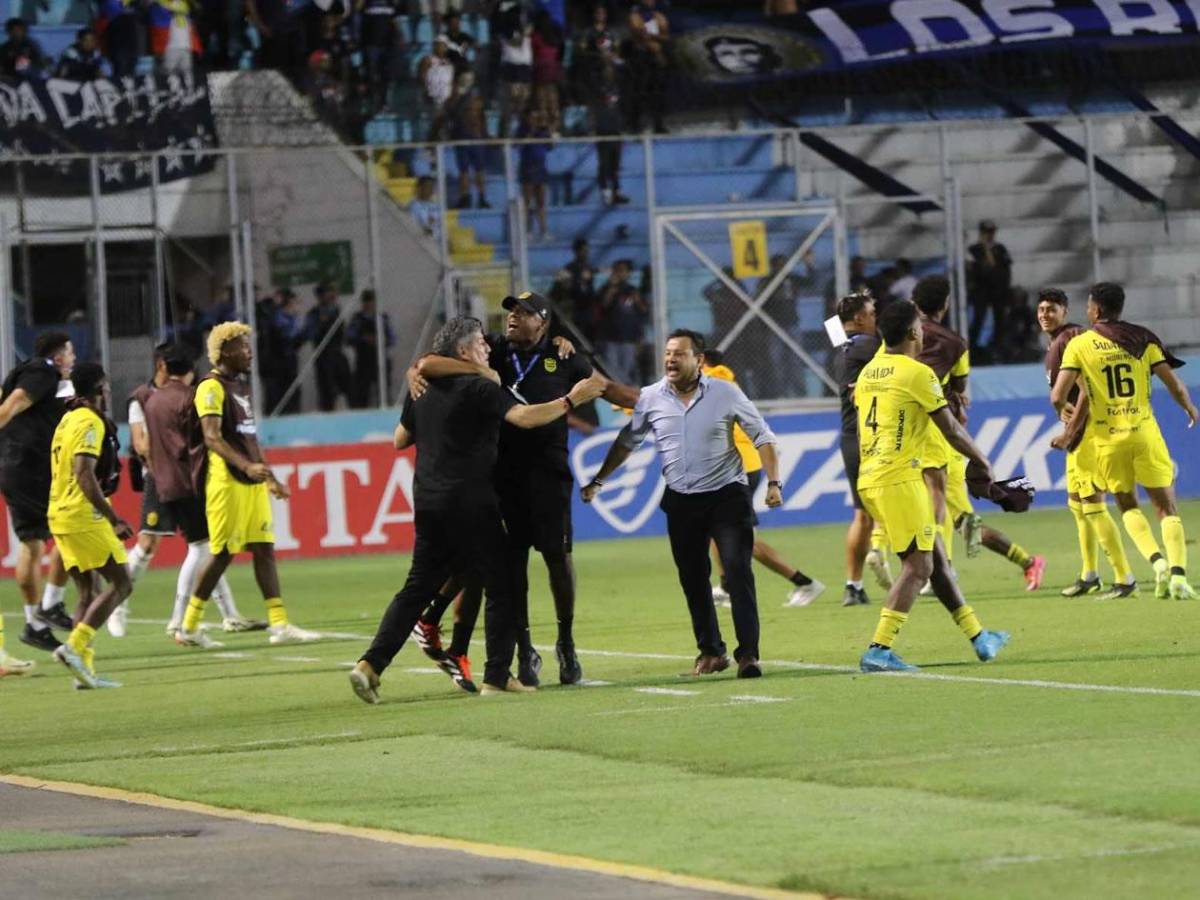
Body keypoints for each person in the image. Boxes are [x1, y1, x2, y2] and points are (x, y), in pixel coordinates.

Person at [348, 316, 606, 703]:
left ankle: (369, 666)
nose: (489, 350)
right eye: (482, 346)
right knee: (503, 582)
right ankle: (496, 678)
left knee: (417, 587)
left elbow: (400, 439)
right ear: (465, 351)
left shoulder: (424, 385)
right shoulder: (479, 387)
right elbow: (524, 418)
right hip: (471, 499)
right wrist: (572, 400)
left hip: (429, 499)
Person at [406, 292, 637, 686]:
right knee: (509, 568)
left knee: (557, 559)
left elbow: (608, 388)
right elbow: (431, 363)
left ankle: (566, 640)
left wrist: (659, 400)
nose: (513, 317)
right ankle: (524, 647)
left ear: (544, 323)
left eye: (524, 313)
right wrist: (416, 371)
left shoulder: (566, 357)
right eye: (511, 311)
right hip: (500, 476)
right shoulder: (492, 351)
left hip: (549, 477)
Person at [582, 329, 783, 678]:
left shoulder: (725, 392)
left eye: (679, 353)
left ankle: (748, 654)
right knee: (693, 578)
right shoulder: (651, 397)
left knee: (737, 572)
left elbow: (761, 435)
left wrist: (774, 482)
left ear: (699, 360)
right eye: (668, 353)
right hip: (681, 501)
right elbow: (628, 440)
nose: (670, 359)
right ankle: (711, 652)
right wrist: (600, 479)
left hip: (727, 496)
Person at [854, 301, 1011, 672]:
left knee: (935, 558)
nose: (924, 332)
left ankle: (979, 636)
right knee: (919, 567)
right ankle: (879, 649)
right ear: (912, 333)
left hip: (871, 476)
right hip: (899, 478)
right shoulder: (917, 373)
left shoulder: (869, 372)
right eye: (920, 328)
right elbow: (951, 428)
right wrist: (981, 459)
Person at [1052, 281, 1200, 600]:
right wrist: (1188, 406)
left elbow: (1058, 394)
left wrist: (1062, 412)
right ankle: (1177, 575)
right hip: (1144, 432)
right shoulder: (1142, 338)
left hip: (1108, 439)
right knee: (1166, 507)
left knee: (1127, 505)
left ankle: (1156, 564)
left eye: (1090, 306)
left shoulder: (1080, 344)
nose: (1088, 310)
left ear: (1097, 309)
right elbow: (1173, 383)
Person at [175, 323, 319, 647]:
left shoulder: (240, 386)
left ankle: (279, 624)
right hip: (226, 481)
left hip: (251, 482)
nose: (248, 351)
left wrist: (270, 478)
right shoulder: (210, 388)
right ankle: (189, 626)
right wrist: (246, 466)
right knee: (223, 553)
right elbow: (212, 438)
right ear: (224, 350)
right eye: (242, 346)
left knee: (265, 549)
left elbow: (249, 438)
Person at [912, 276, 1044, 592]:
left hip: (937, 439)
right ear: (945, 304)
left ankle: (945, 571)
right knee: (952, 518)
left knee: (952, 515)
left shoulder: (901, 338)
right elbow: (959, 387)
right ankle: (1020, 562)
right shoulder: (956, 343)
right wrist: (953, 396)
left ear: (915, 304)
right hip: (935, 432)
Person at [139, 345, 260, 638]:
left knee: (208, 549)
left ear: (165, 368)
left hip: (163, 481)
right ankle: (179, 619)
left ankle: (228, 615)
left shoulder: (152, 401)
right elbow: (203, 439)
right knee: (202, 549)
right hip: (189, 481)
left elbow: (148, 444)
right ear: (192, 370)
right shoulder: (190, 397)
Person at [702, 350, 823, 609]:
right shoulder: (717, 383)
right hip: (729, 467)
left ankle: (804, 582)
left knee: (746, 540)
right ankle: (726, 588)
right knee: (713, 529)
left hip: (737, 468)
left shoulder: (711, 382)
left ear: (699, 359)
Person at [1037, 287, 1135, 599]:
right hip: (1079, 434)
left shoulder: (1071, 340)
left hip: (1090, 433)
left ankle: (1125, 578)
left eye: (1051, 309)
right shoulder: (1058, 342)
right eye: (1041, 309)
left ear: (1065, 311)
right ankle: (1089, 574)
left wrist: (1070, 430)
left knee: (1092, 506)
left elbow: (1089, 391)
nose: (1044, 315)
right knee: (1077, 506)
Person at [48, 363, 135, 690]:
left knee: (88, 590)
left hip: (59, 512)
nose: (109, 393)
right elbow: (84, 474)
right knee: (122, 583)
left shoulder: (67, 418)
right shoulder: (88, 422)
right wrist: (114, 519)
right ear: (98, 389)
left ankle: (83, 669)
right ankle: (73, 647)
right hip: (83, 514)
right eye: (106, 388)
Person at [0, 332, 78, 658]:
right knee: (72, 527)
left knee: (31, 546)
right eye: (70, 353)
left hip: (15, 468)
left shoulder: (30, 372)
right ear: (58, 356)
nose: (73, 359)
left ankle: (35, 623)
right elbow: (13, 403)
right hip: (31, 470)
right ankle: (52, 604)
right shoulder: (42, 371)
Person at [830, 292, 891, 607]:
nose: (875, 317)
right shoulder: (870, 346)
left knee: (861, 514)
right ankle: (915, 571)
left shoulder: (841, 346)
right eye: (870, 312)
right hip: (874, 435)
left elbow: (833, 326)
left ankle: (852, 586)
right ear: (857, 319)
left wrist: (847, 303)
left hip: (849, 437)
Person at [597, 260, 648, 386]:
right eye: (618, 270)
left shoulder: (632, 290)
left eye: (623, 271)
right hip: (610, 338)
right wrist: (612, 288)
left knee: (627, 368)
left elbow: (642, 311)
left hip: (629, 338)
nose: (620, 274)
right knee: (612, 370)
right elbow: (603, 305)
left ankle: (625, 394)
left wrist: (639, 337)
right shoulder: (606, 288)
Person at [966, 220, 1013, 358]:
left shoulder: (1000, 249)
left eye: (992, 232)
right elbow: (982, 268)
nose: (990, 235)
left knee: (1000, 320)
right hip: (982, 291)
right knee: (978, 319)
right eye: (987, 232)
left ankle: (999, 348)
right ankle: (973, 349)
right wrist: (985, 248)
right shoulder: (974, 250)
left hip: (998, 291)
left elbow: (1005, 269)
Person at [305, 282, 352, 411]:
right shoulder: (314, 314)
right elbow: (311, 333)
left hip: (337, 353)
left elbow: (343, 333)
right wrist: (322, 323)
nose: (331, 296)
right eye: (327, 293)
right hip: (323, 356)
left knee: (348, 386)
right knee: (327, 391)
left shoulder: (336, 310)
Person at [625, 0, 669, 133]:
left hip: (655, 57)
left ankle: (658, 123)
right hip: (641, 57)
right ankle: (635, 124)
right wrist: (653, 40)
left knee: (657, 92)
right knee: (640, 91)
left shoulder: (659, 16)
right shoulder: (635, 15)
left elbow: (665, 35)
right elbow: (638, 32)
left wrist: (653, 39)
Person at [346, 290, 396, 408]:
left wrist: (379, 340)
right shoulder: (356, 319)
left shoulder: (382, 318)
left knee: (384, 392)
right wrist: (363, 339)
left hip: (380, 360)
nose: (368, 304)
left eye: (371, 301)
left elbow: (392, 339)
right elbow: (349, 338)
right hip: (363, 361)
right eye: (366, 301)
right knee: (361, 395)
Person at [448, 90, 490, 209]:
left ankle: (481, 197)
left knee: (478, 170)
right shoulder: (461, 113)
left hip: (476, 143)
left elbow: (483, 129)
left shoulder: (480, 115)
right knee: (464, 171)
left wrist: (484, 137)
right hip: (464, 142)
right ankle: (465, 197)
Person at [358, 0, 401, 110]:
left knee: (386, 75)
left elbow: (395, 22)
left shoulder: (390, 3)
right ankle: (371, 100)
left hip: (387, 45)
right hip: (371, 44)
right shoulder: (368, 3)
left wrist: (400, 36)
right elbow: (357, 10)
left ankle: (383, 101)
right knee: (371, 74)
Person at [551, 238, 598, 340]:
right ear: (577, 251)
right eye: (583, 251)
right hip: (574, 312)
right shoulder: (568, 269)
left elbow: (590, 291)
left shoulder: (589, 268)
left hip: (587, 313)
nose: (586, 254)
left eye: (587, 251)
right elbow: (556, 291)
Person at [518, 108, 552, 241]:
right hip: (527, 167)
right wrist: (531, 131)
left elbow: (550, 147)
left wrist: (548, 130)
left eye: (536, 117)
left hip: (540, 167)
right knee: (527, 201)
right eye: (532, 117)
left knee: (541, 201)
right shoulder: (522, 130)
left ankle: (544, 230)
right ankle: (527, 230)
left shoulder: (543, 131)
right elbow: (519, 146)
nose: (534, 120)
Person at [530, 9, 564, 132]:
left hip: (540, 72)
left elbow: (532, 53)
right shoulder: (554, 36)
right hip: (553, 72)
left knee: (542, 102)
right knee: (553, 101)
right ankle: (554, 129)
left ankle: (544, 130)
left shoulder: (536, 36)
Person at [149, 0, 201, 76]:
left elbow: (175, 7)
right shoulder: (167, 6)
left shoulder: (183, 5)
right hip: (173, 47)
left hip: (184, 46)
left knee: (185, 72)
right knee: (170, 72)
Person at [95, 1, 140, 79]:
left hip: (130, 41)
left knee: (130, 70)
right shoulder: (109, 6)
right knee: (120, 70)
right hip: (116, 41)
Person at [409, 175, 441, 239]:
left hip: (439, 240)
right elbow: (413, 227)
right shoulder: (413, 206)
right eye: (428, 186)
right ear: (420, 188)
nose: (431, 189)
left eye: (432, 187)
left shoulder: (437, 205)